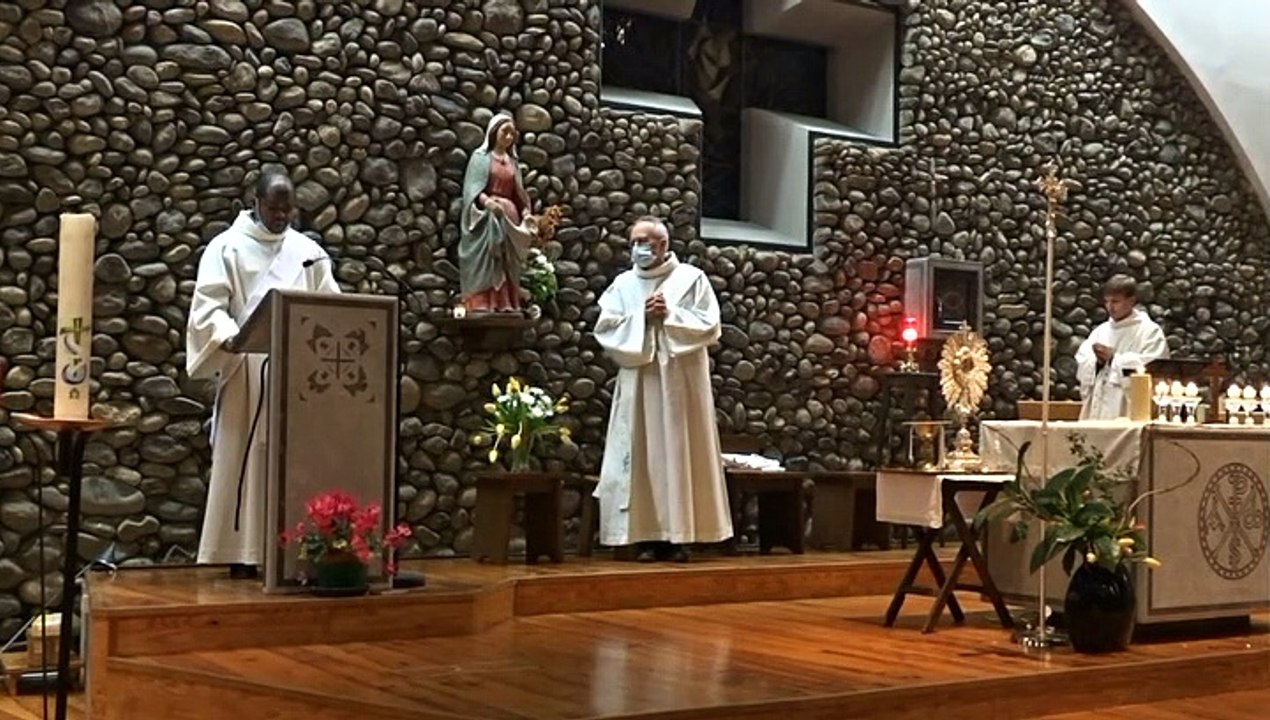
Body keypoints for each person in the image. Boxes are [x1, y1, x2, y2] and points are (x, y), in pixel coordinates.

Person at [186, 168, 341, 578]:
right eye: (274, 208)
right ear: (256, 201)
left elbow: (332, 307)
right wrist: (231, 336)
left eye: (288, 208)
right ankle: (243, 551)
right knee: (244, 459)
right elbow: (208, 309)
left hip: (297, 375)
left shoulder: (309, 251)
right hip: (246, 372)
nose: (281, 216)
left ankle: (293, 550)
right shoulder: (226, 249)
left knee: (296, 460)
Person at [593, 216, 732, 562]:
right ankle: (644, 536)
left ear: (664, 245)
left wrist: (669, 314)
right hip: (640, 382)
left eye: (646, 241)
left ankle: (678, 536)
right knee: (642, 455)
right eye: (634, 241)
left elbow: (710, 326)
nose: (639, 248)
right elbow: (606, 330)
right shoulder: (623, 285)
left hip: (679, 386)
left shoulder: (690, 280)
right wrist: (641, 317)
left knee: (678, 452)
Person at [459, 113, 537, 312]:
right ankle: (484, 301)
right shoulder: (481, 158)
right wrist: (487, 202)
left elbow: (520, 195)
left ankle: (507, 302)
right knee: (489, 260)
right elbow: (472, 190)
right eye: (505, 132)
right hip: (488, 218)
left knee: (507, 262)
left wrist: (527, 214)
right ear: (494, 133)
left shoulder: (512, 162)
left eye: (512, 134)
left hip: (510, 218)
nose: (509, 137)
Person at [1075, 274, 1169, 420]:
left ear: (1131, 301)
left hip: (1126, 408)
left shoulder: (1149, 331)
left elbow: (1154, 367)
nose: (1110, 307)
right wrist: (1097, 363)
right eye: (1107, 302)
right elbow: (1083, 363)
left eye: (1115, 301)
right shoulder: (1100, 331)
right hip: (1098, 407)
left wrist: (1114, 359)